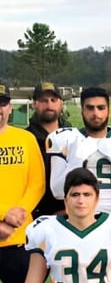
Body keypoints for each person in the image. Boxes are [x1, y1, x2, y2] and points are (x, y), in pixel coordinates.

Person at [0, 83, 46, 283]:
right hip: (6, 226)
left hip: (19, 237)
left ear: (8, 107)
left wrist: (17, 215)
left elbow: (37, 182)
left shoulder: (25, 139)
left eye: (2, 103)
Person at [48, 86, 111, 215]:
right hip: (77, 217)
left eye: (101, 108)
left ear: (109, 111)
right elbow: (57, 192)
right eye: (90, 108)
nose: (96, 113)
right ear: (82, 111)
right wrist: (77, 159)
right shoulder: (65, 139)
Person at [25, 82, 69, 220]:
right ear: (34, 104)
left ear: (61, 103)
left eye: (53, 100)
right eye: (43, 100)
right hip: (37, 214)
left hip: (72, 213)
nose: (49, 105)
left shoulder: (73, 136)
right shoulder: (26, 139)